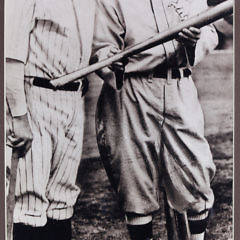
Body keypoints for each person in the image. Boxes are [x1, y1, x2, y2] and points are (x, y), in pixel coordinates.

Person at [91, 0, 219, 239]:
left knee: (196, 174)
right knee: (135, 182)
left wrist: (195, 41)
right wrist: (111, 59)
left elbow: (210, 31)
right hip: (132, 87)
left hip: (179, 83)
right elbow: (101, 45)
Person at [5, 0, 95, 239]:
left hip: (73, 97)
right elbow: (9, 60)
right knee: (29, 200)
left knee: (62, 199)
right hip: (35, 94)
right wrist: (19, 116)